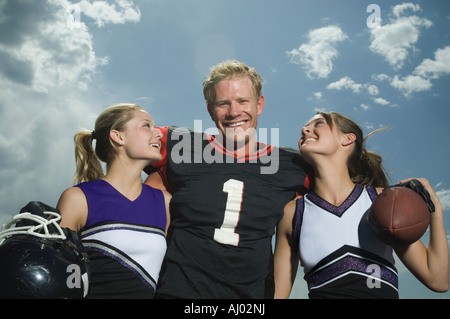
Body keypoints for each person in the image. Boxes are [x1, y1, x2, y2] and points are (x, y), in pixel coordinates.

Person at [144, 60, 309, 298]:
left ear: (259, 104)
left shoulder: (294, 166)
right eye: (223, 104)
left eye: (243, 101)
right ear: (211, 110)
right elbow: (123, 138)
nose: (234, 112)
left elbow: (347, 188)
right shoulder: (178, 144)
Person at [274, 111, 449, 299]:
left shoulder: (383, 202)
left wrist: (435, 211)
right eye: (307, 126)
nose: (304, 129)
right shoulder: (293, 214)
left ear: (347, 139)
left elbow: (437, 279)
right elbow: (277, 295)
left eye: (319, 123)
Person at [57, 103, 171, 298]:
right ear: (118, 136)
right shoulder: (78, 199)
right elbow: (65, 277)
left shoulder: (165, 203)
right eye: (146, 126)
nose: (159, 134)